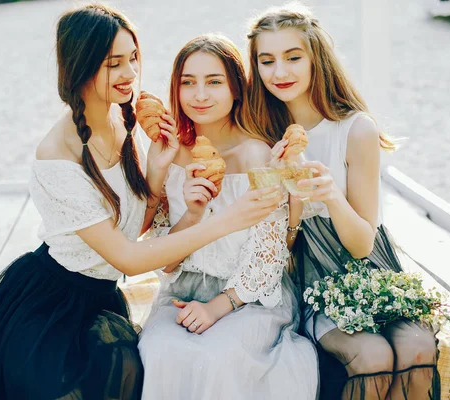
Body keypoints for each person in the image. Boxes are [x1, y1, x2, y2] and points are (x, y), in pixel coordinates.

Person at [0, 5, 281, 400]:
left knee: (126, 370)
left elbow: (135, 224)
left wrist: (157, 172)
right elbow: (128, 259)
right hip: (50, 300)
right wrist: (225, 220)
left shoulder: (122, 121)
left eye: (133, 58)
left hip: (100, 296)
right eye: (115, 63)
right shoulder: (56, 156)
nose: (131, 73)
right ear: (81, 65)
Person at [247, 4, 440, 399]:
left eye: (293, 57)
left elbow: (362, 244)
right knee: (370, 355)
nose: (279, 72)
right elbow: (276, 242)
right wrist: (286, 189)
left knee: (417, 347)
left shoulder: (355, 130)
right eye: (266, 61)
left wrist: (331, 193)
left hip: (371, 268)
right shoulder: (261, 134)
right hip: (309, 273)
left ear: (315, 57)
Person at [137, 34, 319, 400]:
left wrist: (219, 307)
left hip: (248, 298)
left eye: (214, 82)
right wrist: (192, 213)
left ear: (237, 89)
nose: (199, 95)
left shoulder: (256, 155)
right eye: (188, 82)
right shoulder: (168, 153)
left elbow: (270, 255)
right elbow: (163, 260)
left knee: (218, 356)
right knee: (159, 352)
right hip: (181, 294)